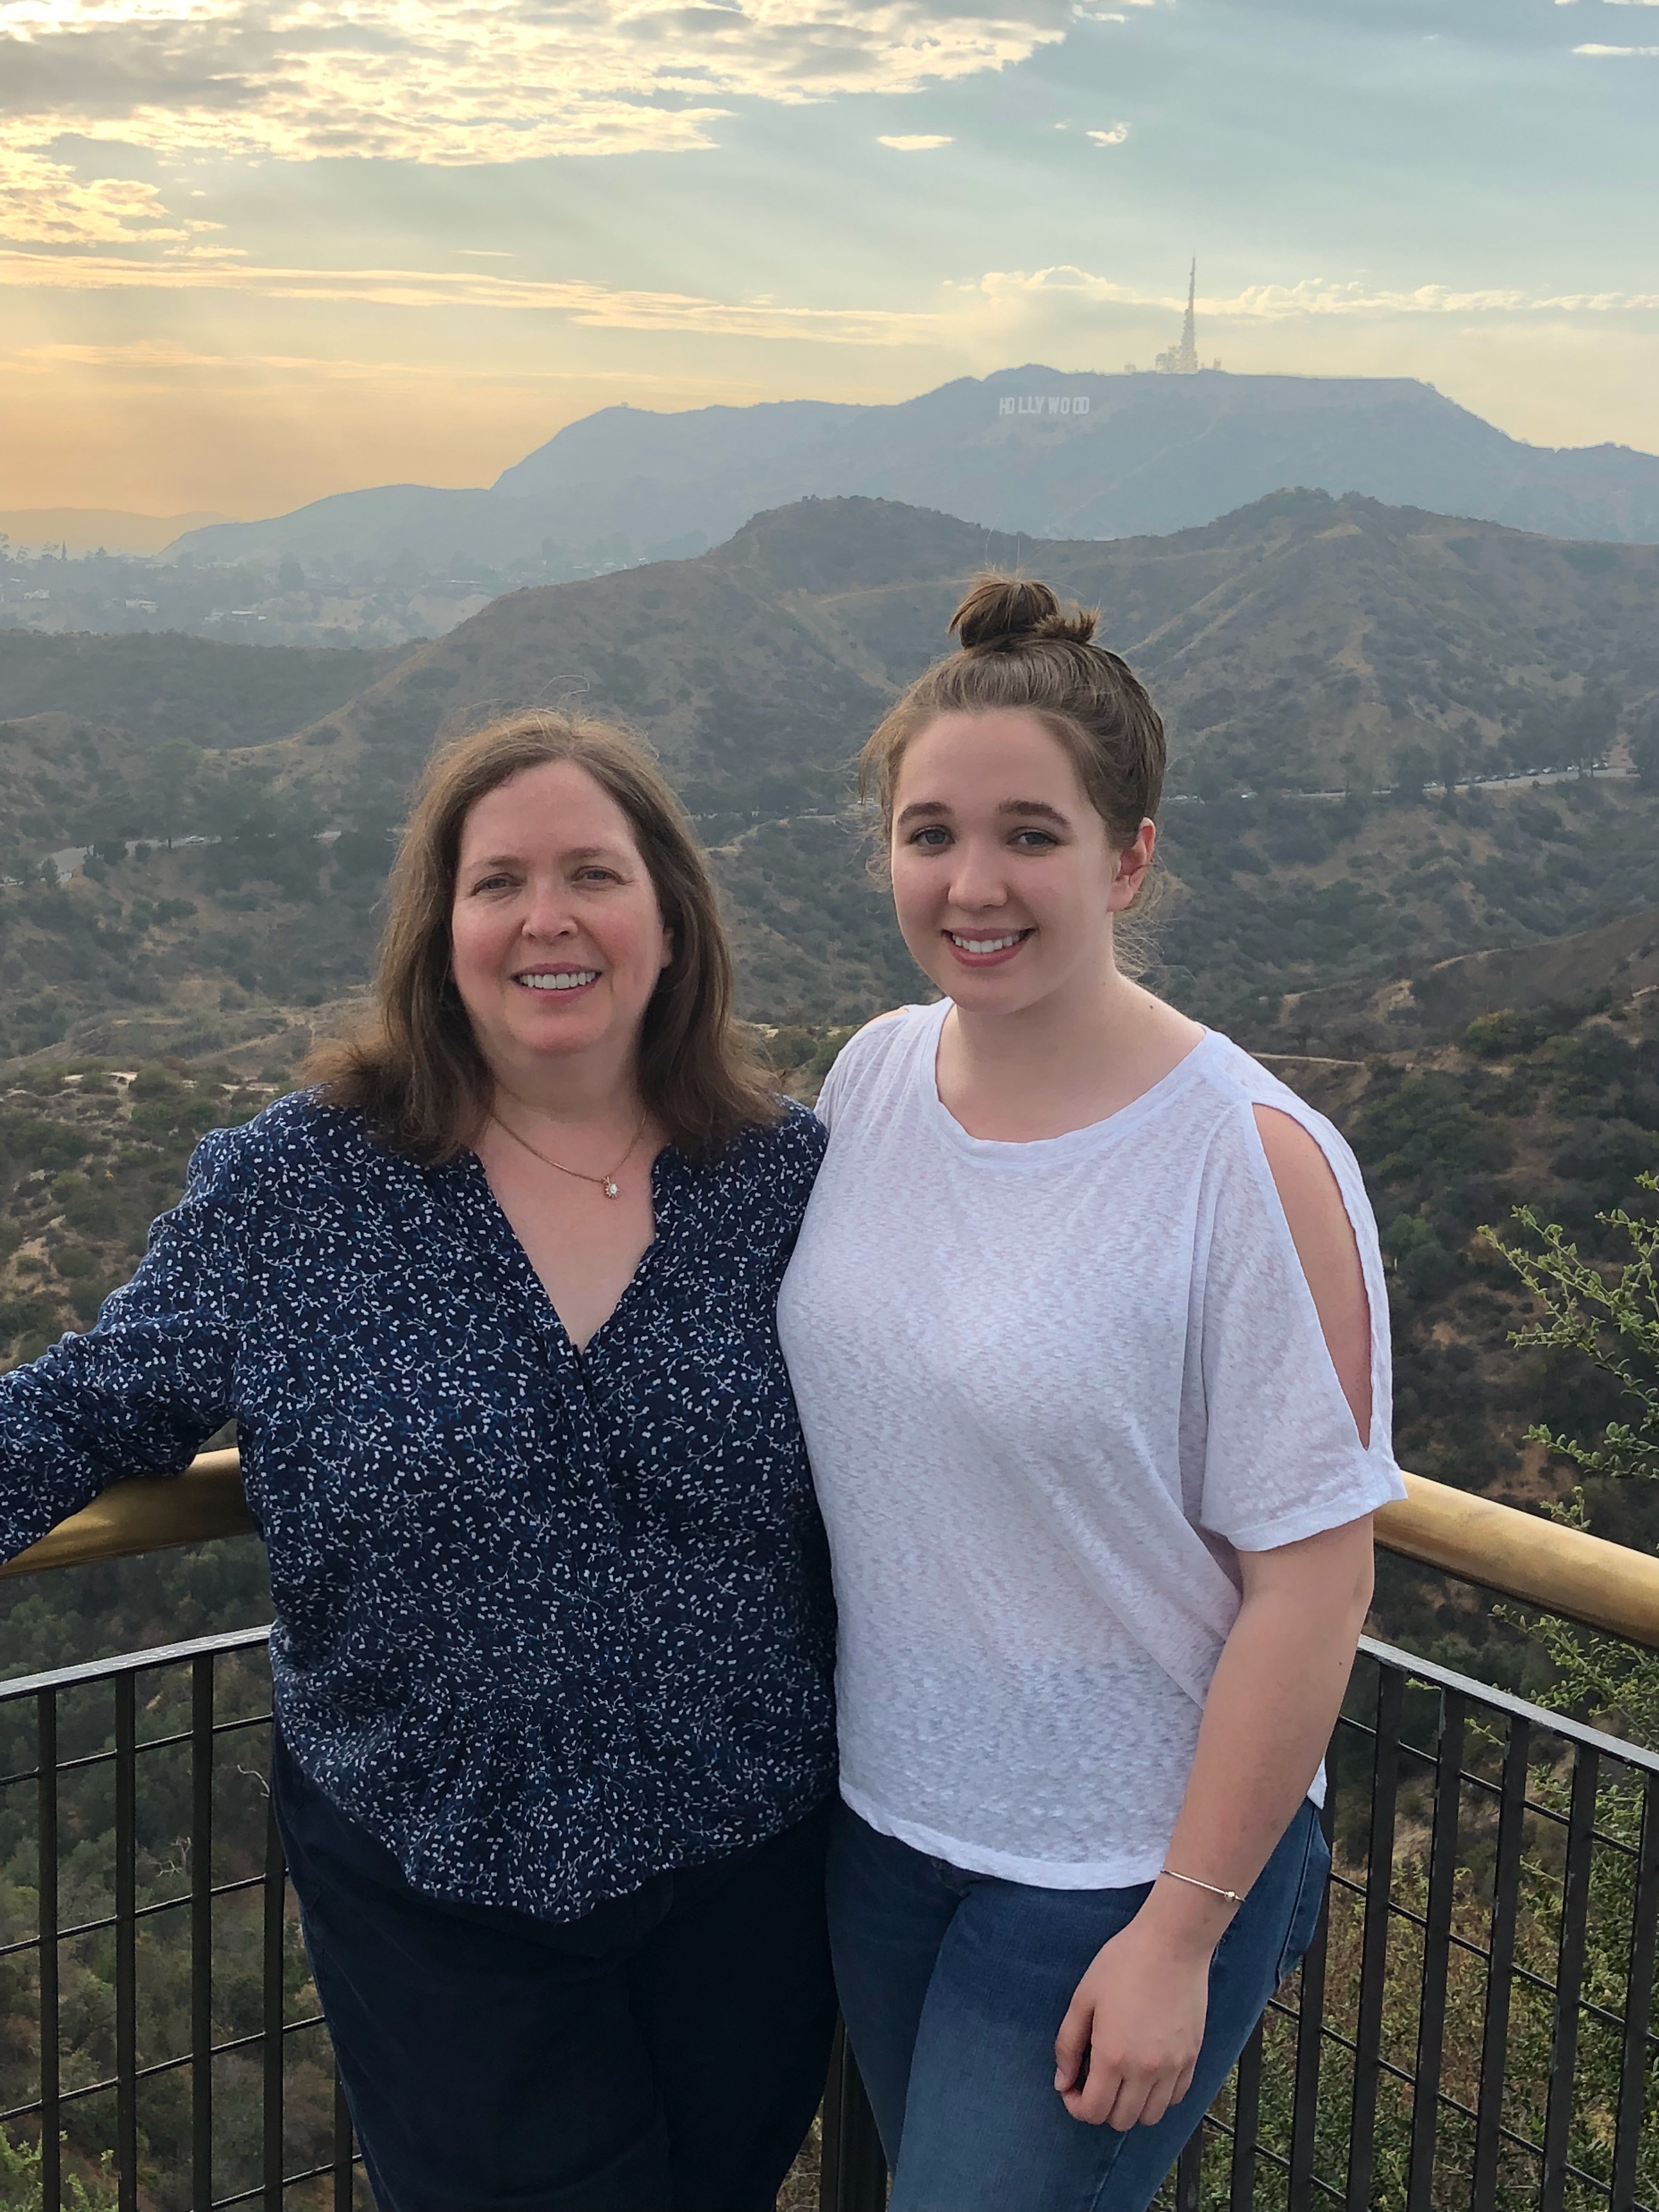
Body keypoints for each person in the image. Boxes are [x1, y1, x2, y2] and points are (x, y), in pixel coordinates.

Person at [0, 712, 838, 2212]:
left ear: (670, 917)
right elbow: (87, 1409)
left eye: (593, 873)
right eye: (497, 881)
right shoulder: (299, 1189)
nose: (545, 917)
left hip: (753, 1868)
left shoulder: (789, 1185)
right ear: (441, 935)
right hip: (436, 1883)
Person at [776, 577, 1407, 2212]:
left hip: (1120, 1869)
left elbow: (1315, 1579)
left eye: (1031, 836)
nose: (973, 884)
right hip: (887, 1827)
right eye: (930, 835)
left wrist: (1182, 1932)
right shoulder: (872, 1078)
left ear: (1127, 860)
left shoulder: (1247, 1163)